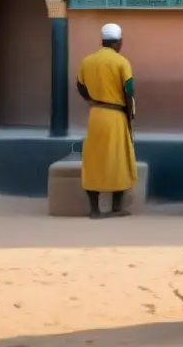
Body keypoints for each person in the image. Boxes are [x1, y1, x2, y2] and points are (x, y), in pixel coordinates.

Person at [76, 23, 137, 220]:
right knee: (118, 159)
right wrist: (129, 116)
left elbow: (80, 86)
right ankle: (116, 208)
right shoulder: (122, 62)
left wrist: (93, 101)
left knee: (94, 161)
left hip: (96, 115)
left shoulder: (87, 61)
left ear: (102, 41)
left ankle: (95, 210)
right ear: (119, 42)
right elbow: (129, 92)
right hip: (116, 116)